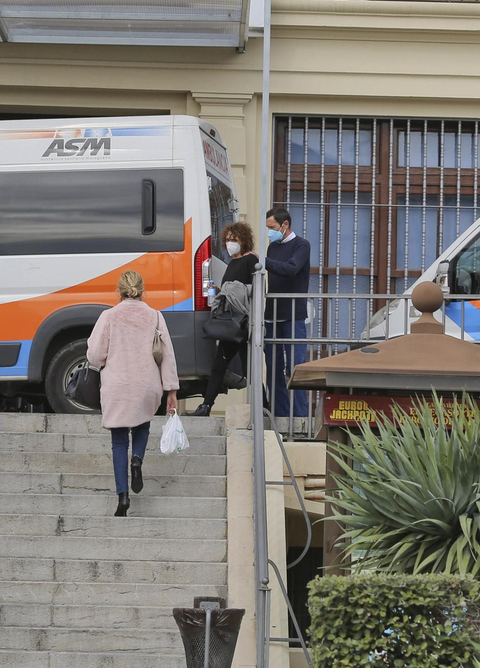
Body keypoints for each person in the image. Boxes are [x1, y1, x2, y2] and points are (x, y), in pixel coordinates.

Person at [86, 270, 179, 517]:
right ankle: (137, 459)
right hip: (147, 384)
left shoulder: (109, 316)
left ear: (118, 291)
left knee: (118, 441)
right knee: (142, 425)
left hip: (117, 385)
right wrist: (171, 389)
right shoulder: (156, 316)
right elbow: (167, 355)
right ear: (142, 291)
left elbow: (95, 356)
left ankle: (123, 497)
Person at [191, 222, 257, 417]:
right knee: (222, 366)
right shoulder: (232, 263)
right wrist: (221, 291)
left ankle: (261, 406)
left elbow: (252, 289)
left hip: (242, 322)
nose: (230, 243)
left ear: (244, 240)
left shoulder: (251, 260)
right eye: (227, 240)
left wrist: (229, 290)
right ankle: (207, 405)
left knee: (244, 367)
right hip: (231, 322)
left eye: (234, 239)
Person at [263, 206, 311, 420]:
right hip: (272, 314)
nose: (270, 232)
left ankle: (300, 417)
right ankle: (280, 416)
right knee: (273, 369)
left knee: (295, 367)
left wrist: (263, 261)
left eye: (272, 227)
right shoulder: (272, 247)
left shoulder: (301, 245)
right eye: (268, 228)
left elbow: (291, 268)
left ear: (285, 225)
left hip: (294, 314)